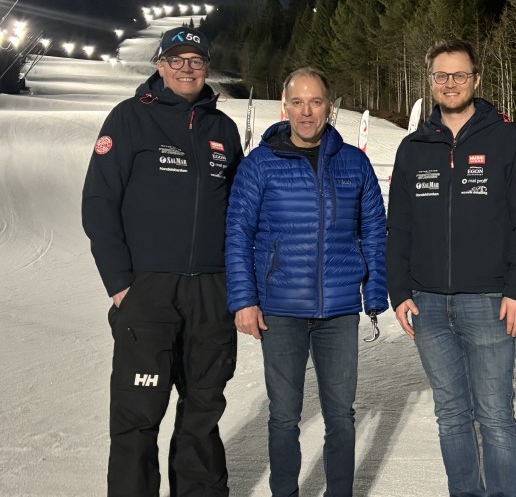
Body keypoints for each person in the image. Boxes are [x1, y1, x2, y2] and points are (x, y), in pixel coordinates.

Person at [82, 26, 242, 496]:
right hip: (148, 292)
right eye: (177, 60)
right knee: (138, 415)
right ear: (159, 65)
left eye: (195, 61)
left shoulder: (223, 129)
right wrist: (120, 282)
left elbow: (239, 211)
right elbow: (98, 202)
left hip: (211, 293)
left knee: (203, 411)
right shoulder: (130, 119)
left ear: (207, 68)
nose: (187, 68)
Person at [386, 39, 516, 496]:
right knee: (451, 415)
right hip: (429, 305)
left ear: (476, 79)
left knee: (495, 415)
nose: (450, 83)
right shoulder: (414, 147)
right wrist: (400, 291)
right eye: (441, 75)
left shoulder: (508, 140)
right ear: (431, 81)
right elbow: (398, 226)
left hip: (490, 302)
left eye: (459, 75)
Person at [225, 68, 387, 497]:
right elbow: (238, 232)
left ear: (329, 107)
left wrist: (373, 293)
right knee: (283, 415)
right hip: (280, 309)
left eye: (315, 102)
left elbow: (373, 228)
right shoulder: (259, 164)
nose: (306, 111)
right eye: (297, 102)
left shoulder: (353, 162)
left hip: (338, 310)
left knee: (341, 416)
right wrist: (244, 299)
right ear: (284, 107)